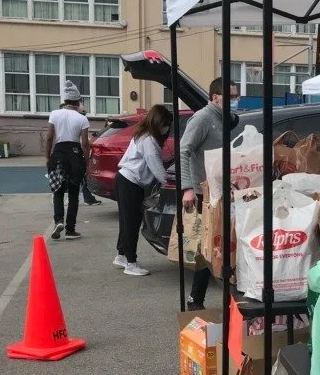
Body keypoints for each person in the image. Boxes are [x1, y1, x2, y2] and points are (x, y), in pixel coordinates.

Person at [180, 76, 239, 309]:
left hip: (221, 191)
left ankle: (230, 299)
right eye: (231, 96)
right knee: (210, 245)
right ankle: (196, 299)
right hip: (204, 193)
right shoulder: (203, 118)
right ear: (215, 98)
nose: (235, 100)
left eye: (236, 96)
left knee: (223, 244)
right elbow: (184, 150)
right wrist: (188, 189)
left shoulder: (223, 118)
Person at [114, 104, 172, 276]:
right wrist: (169, 184)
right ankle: (130, 264)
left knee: (126, 221)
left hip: (126, 180)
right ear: (158, 122)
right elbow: (157, 170)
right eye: (166, 124)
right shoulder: (149, 141)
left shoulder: (143, 135)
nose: (166, 128)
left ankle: (122, 255)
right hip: (130, 183)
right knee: (131, 223)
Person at [46, 80, 90, 241]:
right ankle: (70, 230)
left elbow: (50, 137)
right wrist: (87, 162)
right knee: (73, 193)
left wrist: (47, 156)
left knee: (57, 191)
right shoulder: (82, 118)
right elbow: (85, 143)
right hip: (75, 154)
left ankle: (58, 220)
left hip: (58, 153)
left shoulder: (54, 114)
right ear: (78, 102)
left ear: (64, 100)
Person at [77, 104, 102, 205]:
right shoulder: (80, 122)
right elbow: (84, 143)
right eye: (83, 113)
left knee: (79, 177)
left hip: (76, 153)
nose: (84, 115)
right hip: (79, 153)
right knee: (82, 176)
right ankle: (88, 198)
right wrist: (86, 160)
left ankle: (88, 197)